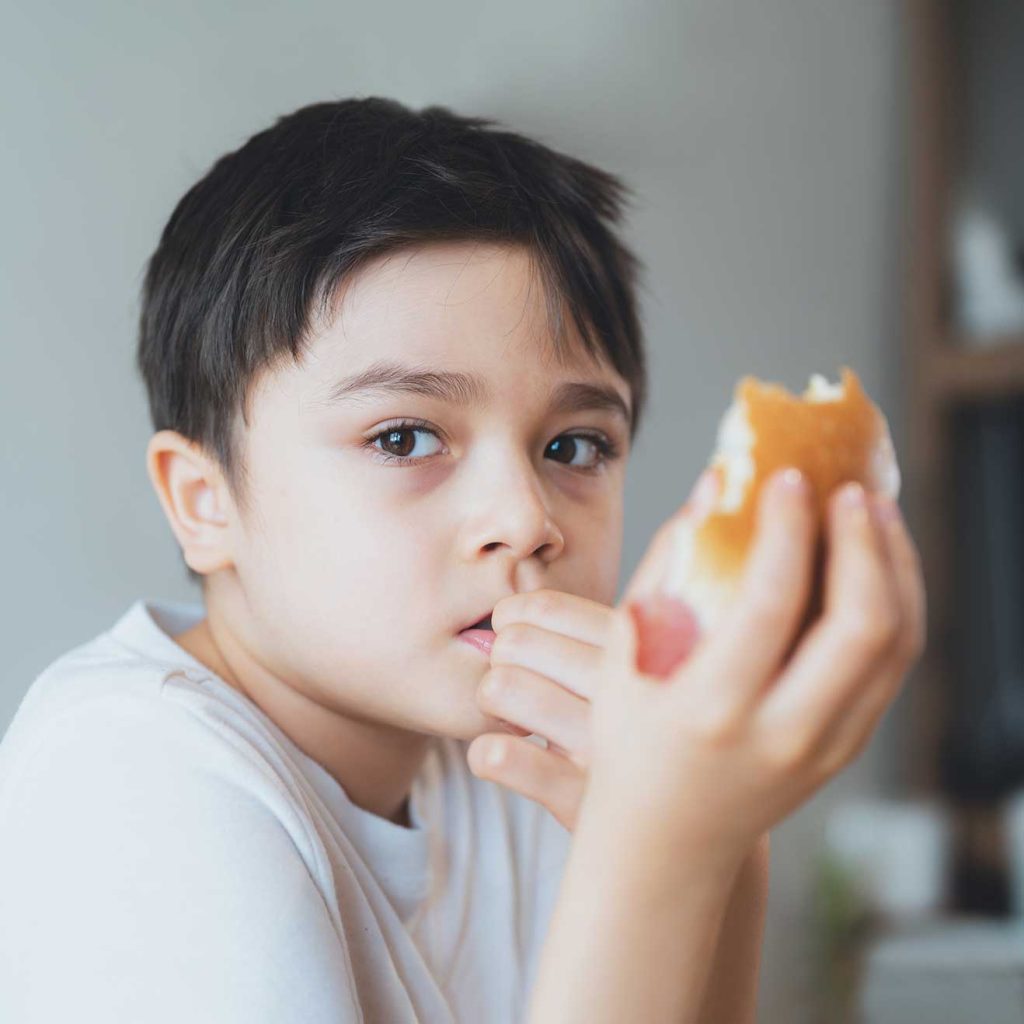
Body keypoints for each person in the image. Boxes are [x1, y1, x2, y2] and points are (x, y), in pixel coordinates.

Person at [0, 97, 925, 1023]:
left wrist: (720, 843)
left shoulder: (516, 766)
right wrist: (662, 842)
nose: (525, 520)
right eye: (405, 438)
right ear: (205, 503)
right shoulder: (127, 778)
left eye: (573, 447)